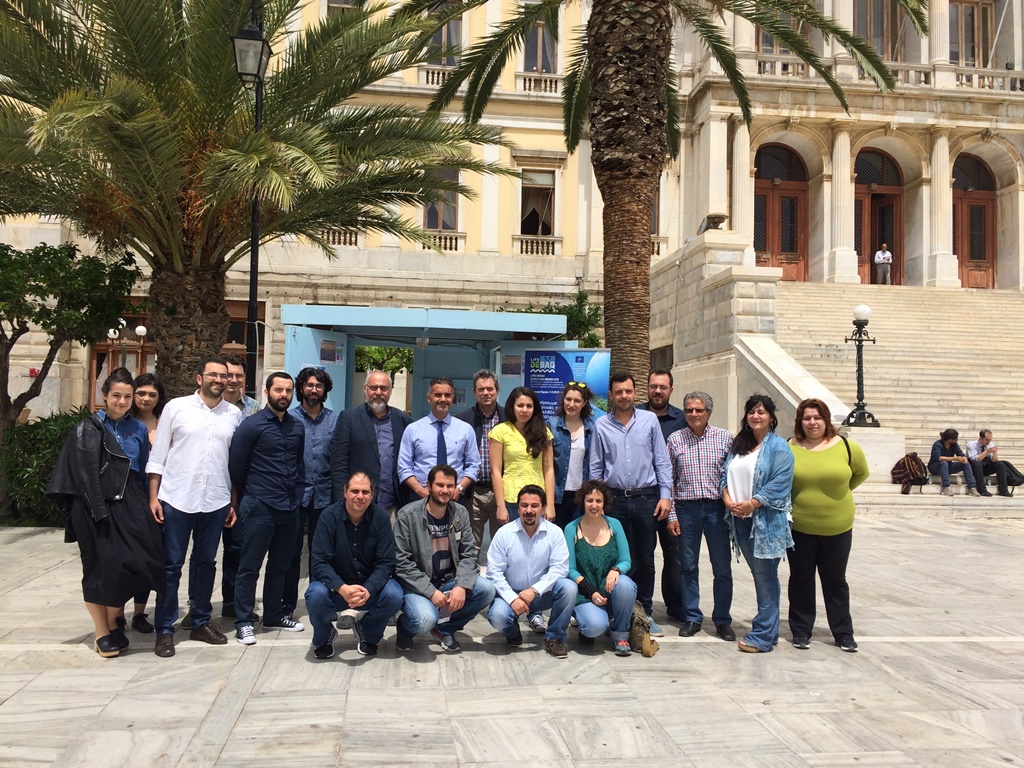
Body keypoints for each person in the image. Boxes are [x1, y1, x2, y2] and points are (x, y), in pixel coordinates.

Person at [47, 368, 163, 657]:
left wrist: (149, 501)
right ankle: (102, 632)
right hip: (92, 502)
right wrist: (95, 508)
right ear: (104, 395)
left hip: (130, 500)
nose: (122, 401)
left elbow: (144, 469)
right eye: (116, 396)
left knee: (136, 562)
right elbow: (80, 474)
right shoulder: (86, 428)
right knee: (98, 568)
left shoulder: (138, 429)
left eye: (127, 396)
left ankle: (113, 623)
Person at [147, 357, 243, 658]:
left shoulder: (234, 414)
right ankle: (164, 629)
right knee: (171, 565)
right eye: (212, 374)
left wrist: (232, 502)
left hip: (215, 501)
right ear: (199, 378)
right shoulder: (176, 408)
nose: (219, 380)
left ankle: (201, 622)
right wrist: (154, 497)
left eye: (223, 375)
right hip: (177, 498)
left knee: (206, 563)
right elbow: (158, 455)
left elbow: (234, 463)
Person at [588, 373, 673, 637]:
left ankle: (645, 613)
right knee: (615, 557)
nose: (624, 396)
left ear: (635, 392)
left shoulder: (649, 421)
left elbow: (661, 461)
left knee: (646, 558)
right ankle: (617, 611)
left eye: (628, 391)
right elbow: (596, 467)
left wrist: (666, 495)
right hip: (614, 500)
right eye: (618, 392)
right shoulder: (602, 425)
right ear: (611, 395)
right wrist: (597, 501)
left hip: (646, 498)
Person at [182, 354, 261, 630]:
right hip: (206, 489)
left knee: (236, 548)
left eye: (239, 376)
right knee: (202, 552)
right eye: (229, 375)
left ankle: (231, 602)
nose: (233, 380)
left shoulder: (252, 408)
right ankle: (196, 604)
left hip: (238, 490)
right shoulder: (199, 407)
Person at [229, 372, 307, 645]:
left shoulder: (297, 427)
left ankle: (274, 615)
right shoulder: (251, 426)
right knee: (249, 566)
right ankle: (244, 622)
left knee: (281, 565)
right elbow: (237, 466)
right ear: (267, 392)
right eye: (278, 390)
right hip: (259, 505)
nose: (283, 395)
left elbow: (298, 463)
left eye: (288, 390)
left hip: (289, 506)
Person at [787, 398, 869, 653]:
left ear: (826, 419)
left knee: (835, 580)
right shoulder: (789, 447)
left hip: (838, 526)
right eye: (807, 418)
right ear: (800, 421)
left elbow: (861, 473)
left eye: (817, 417)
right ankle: (801, 631)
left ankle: (843, 633)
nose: (812, 422)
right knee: (801, 579)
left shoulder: (846, 446)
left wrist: (838, 493)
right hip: (799, 526)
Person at [392, 465, 495, 652]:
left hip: (448, 582)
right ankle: (405, 630)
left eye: (450, 486)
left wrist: (461, 586)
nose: (445, 490)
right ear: (428, 485)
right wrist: (430, 592)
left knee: (486, 589)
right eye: (440, 485)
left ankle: (444, 628)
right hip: (418, 585)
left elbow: (469, 553)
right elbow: (402, 563)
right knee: (424, 619)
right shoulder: (407, 515)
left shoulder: (460, 513)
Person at [721, 394, 794, 653]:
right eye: (752, 411)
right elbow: (725, 475)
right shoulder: (740, 445)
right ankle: (769, 631)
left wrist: (752, 503)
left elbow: (780, 483)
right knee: (761, 576)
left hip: (766, 523)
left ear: (771, 417)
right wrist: (728, 500)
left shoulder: (779, 447)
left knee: (765, 577)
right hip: (740, 520)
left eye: (761, 412)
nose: (756, 416)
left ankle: (763, 635)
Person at [304, 473, 403, 659]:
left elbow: (386, 563)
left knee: (394, 595)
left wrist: (369, 589)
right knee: (314, 595)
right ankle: (325, 637)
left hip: (368, 587)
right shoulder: (328, 517)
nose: (360, 496)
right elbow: (319, 562)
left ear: (372, 494)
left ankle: (367, 631)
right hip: (335, 588)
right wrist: (341, 588)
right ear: (345, 491)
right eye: (355, 491)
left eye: (365, 492)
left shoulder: (381, 518)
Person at [665, 391, 735, 641]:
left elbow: (732, 475)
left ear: (709, 413)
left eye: (699, 410)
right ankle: (692, 616)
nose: (694, 414)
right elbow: (669, 480)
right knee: (688, 566)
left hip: (717, 510)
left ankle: (722, 620)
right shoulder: (675, 439)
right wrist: (672, 515)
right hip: (687, 510)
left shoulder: (725, 438)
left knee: (722, 567)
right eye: (689, 410)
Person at [486, 485, 577, 658]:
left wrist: (534, 590)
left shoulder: (555, 533)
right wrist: (513, 598)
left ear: (543, 508)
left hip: (542, 594)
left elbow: (560, 568)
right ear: (518, 508)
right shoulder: (504, 534)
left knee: (569, 588)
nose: (529, 510)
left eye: (534, 506)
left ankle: (555, 638)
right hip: (510, 593)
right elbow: (493, 573)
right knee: (498, 616)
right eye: (524, 505)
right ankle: (513, 632)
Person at [284, 367, 339, 619]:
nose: (314, 390)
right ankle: (287, 605)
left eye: (318, 385)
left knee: (322, 553)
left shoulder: (335, 420)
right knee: (291, 552)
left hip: (325, 497)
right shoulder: (289, 419)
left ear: (324, 390)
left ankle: (322, 603)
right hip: (294, 496)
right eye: (309, 385)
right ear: (301, 388)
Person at [563, 479, 636, 656]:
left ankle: (620, 634)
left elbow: (626, 560)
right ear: (582, 501)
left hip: (608, 586)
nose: (594, 505)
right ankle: (585, 621)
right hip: (584, 591)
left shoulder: (614, 525)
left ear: (604, 503)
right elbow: (570, 569)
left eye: (598, 501)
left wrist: (616, 570)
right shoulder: (571, 529)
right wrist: (591, 591)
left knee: (626, 585)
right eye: (589, 500)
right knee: (593, 627)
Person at [637, 370, 687, 624]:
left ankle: (675, 605)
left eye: (663, 387)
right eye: (653, 386)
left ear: (671, 390)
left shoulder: (682, 419)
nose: (658, 391)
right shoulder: (634, 415)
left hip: (673, 500)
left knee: (674, 553)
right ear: (647, 387)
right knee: (642, 555)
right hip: (641, 498)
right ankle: (639, 605)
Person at [121, 371, 167, 634]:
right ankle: (117, 613)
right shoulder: (124, 423)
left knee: (152, 557)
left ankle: (140, 613)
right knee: (127, 557)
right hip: (131, 497)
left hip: (163, 497)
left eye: (152, 394)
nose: (146, 398)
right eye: (140, 393)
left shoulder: (165, 421)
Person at [330, 369, 412, 511]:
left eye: (384, 388)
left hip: (392, 504)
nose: (378, 392)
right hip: (357, 503)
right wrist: (342, 502)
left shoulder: (404, 421)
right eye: (373, 387)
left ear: (390, 390)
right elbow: (338, 463)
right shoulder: (349, 418)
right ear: (365, 389)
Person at [398, 376, 480, 503]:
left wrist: (458, 489)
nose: (443, 399)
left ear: (452, 398)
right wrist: (422, 492)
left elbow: (474, 465)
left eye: (447, 395)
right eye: (438, 395)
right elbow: (404, 467)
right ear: (429, 398)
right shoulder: (413, 430)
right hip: (420, 497)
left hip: (454, 497)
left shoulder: (465, 429)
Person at [488, 386, 555, 525]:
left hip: (538, 500)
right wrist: (500, 506)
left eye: (529, 406)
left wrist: (550, 505)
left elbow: (549, 470)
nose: (525, 410)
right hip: (511, 500)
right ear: (512, 407)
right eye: (520, 405)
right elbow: (495, 471)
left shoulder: (544, 432)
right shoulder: (500, 431)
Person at [455, 370, 504, 555]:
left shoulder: (509, 418)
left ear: (497, 390)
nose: (486, 393)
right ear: (474, 392)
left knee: (502, 543)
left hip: (503, 491)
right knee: (470, 545)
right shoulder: (462, 420)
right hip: (473, 492)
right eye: (481, 389)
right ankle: (471, 574)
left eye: (490, 389)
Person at [547, 381, 595, 529]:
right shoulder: (551, 426)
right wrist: (548, 503)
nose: (571, 404)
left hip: (580, 496)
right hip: (557, 496)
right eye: (568, 399)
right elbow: (546, 466)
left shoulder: (592, 428)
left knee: (577, 537)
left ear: (584, 403)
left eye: (577, 401)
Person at [929, 428, 980, 497]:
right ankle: (946, 487)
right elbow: (938, 458)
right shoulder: (938, 444)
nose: (956, 440)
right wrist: (954, 458)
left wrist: (964, 458)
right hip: (935, 467)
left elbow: (960, 453)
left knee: (965, 464)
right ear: (949, 439)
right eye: (954, 439)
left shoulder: (954, 445)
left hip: (948, 466)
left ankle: (972, 487)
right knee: (944, 463)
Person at [967, 429, 1012, 498]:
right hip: (974, 468)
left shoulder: (991, 445)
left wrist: (995, 453)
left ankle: (1003, 490)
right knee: (977, 464)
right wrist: (986, 452)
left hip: (985, 466)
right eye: (986, 440)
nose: (988, 442)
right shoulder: (971, 445)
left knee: (1000, 464)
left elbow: (995, 461)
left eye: (990, 440)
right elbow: (975, 459)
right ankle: (982, 490)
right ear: (980, 438)